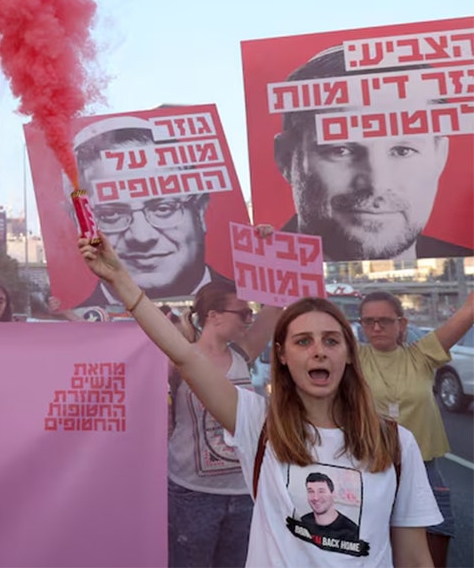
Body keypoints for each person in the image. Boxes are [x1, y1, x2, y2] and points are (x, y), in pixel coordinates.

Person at [79, 232, 439, 566]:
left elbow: (414, 558)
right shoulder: (258, 423)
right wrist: (121, 281)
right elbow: (186, 356)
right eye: (303, 341)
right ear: (282, 355)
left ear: (348, 353)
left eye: (331, 340)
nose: (318, 352)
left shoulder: (395, 444)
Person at [273, 47, 469, 260]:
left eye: (403, 151)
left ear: (440, 158)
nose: (377, 183)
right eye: (341, 150)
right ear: (286, 158)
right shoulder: (244, 275)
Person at [166, 275, 281, 567]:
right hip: (191, 494)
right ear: (213, 316)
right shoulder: (179, 359)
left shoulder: (243, 353)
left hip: (243, 491)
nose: (249, 318)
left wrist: (264, 246)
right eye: (243, 312)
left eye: (251, 312)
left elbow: (278, 300)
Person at [356, 289, 474, 565]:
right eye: (368, 320)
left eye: (385, 320)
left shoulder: (421, 356)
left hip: (423, 472)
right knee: (373, 555)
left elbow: (467, 314)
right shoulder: (352, 359)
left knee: (431, 556)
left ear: (402, 324)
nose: (376, 327)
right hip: (371, 471)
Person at [70, 116, 221, 306]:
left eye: (163, 208)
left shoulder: (248, 303)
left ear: (199, 210)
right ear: (78, 222)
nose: (142, 237)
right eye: (111, 214)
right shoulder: (76, 320)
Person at [300, 472, 361, 542]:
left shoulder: (352, 532)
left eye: (321, 491)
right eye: (311, 491)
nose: (315, 497)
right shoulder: (302, 523)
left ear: (333, 494)